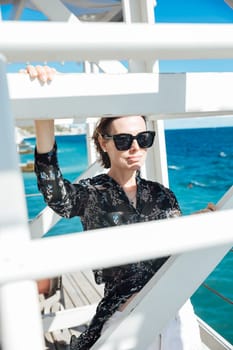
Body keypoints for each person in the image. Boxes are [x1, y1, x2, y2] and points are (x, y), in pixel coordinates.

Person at [24, 65, 216, 350]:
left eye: (144, 139)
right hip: (125, 312)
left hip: (172, 302)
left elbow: (175, 254)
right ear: (104, 143)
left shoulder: (162, 195)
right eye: (124, 140)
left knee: (180, 320)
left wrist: (196, 225)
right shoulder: (91, 194)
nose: (135, 148)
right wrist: (44, 116)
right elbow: (55, 193)